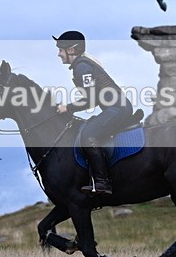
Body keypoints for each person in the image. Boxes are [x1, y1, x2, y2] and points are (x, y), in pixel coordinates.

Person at [54, 30, 133, 195]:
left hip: (117, 109)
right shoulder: (81, 65)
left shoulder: (82, 67)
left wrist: (67, 107)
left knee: (87, 136)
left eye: (61, 50)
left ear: (71, 50)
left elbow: (91, 99)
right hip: (116, 108)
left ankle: (102, 182)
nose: (59, 54)